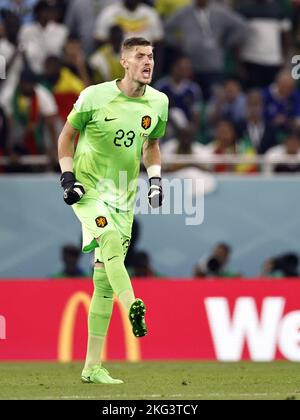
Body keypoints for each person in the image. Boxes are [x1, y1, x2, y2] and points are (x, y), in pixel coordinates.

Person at [57, 37, 168, 384]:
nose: (147, 62)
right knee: (106, 238)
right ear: (124, 62)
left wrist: (155, 180)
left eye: (150, 56)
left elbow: (151, 145)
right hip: (88, 191)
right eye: (140, 56)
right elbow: (65, 138)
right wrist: (67, 178)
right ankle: (132, 304)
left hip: (124, 199)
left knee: (103, 282)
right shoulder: (94, 95)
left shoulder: (159, 103)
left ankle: (92, 367)